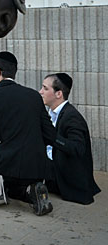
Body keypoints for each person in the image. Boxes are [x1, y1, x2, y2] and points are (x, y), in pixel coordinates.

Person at [0, 51, 55, 216]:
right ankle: (31, 192)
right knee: (14, 187)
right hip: (39, 167)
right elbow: (50, 134)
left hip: (9, 165)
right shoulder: (33, 96)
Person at [39, 73, 101, 204]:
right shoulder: (50, 112)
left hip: (64, 177)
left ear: (58, 94)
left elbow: (77, 148)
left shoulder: (72, 117)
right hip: (50, 166)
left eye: (45, 88)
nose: (41, 92)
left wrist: (53, 138)